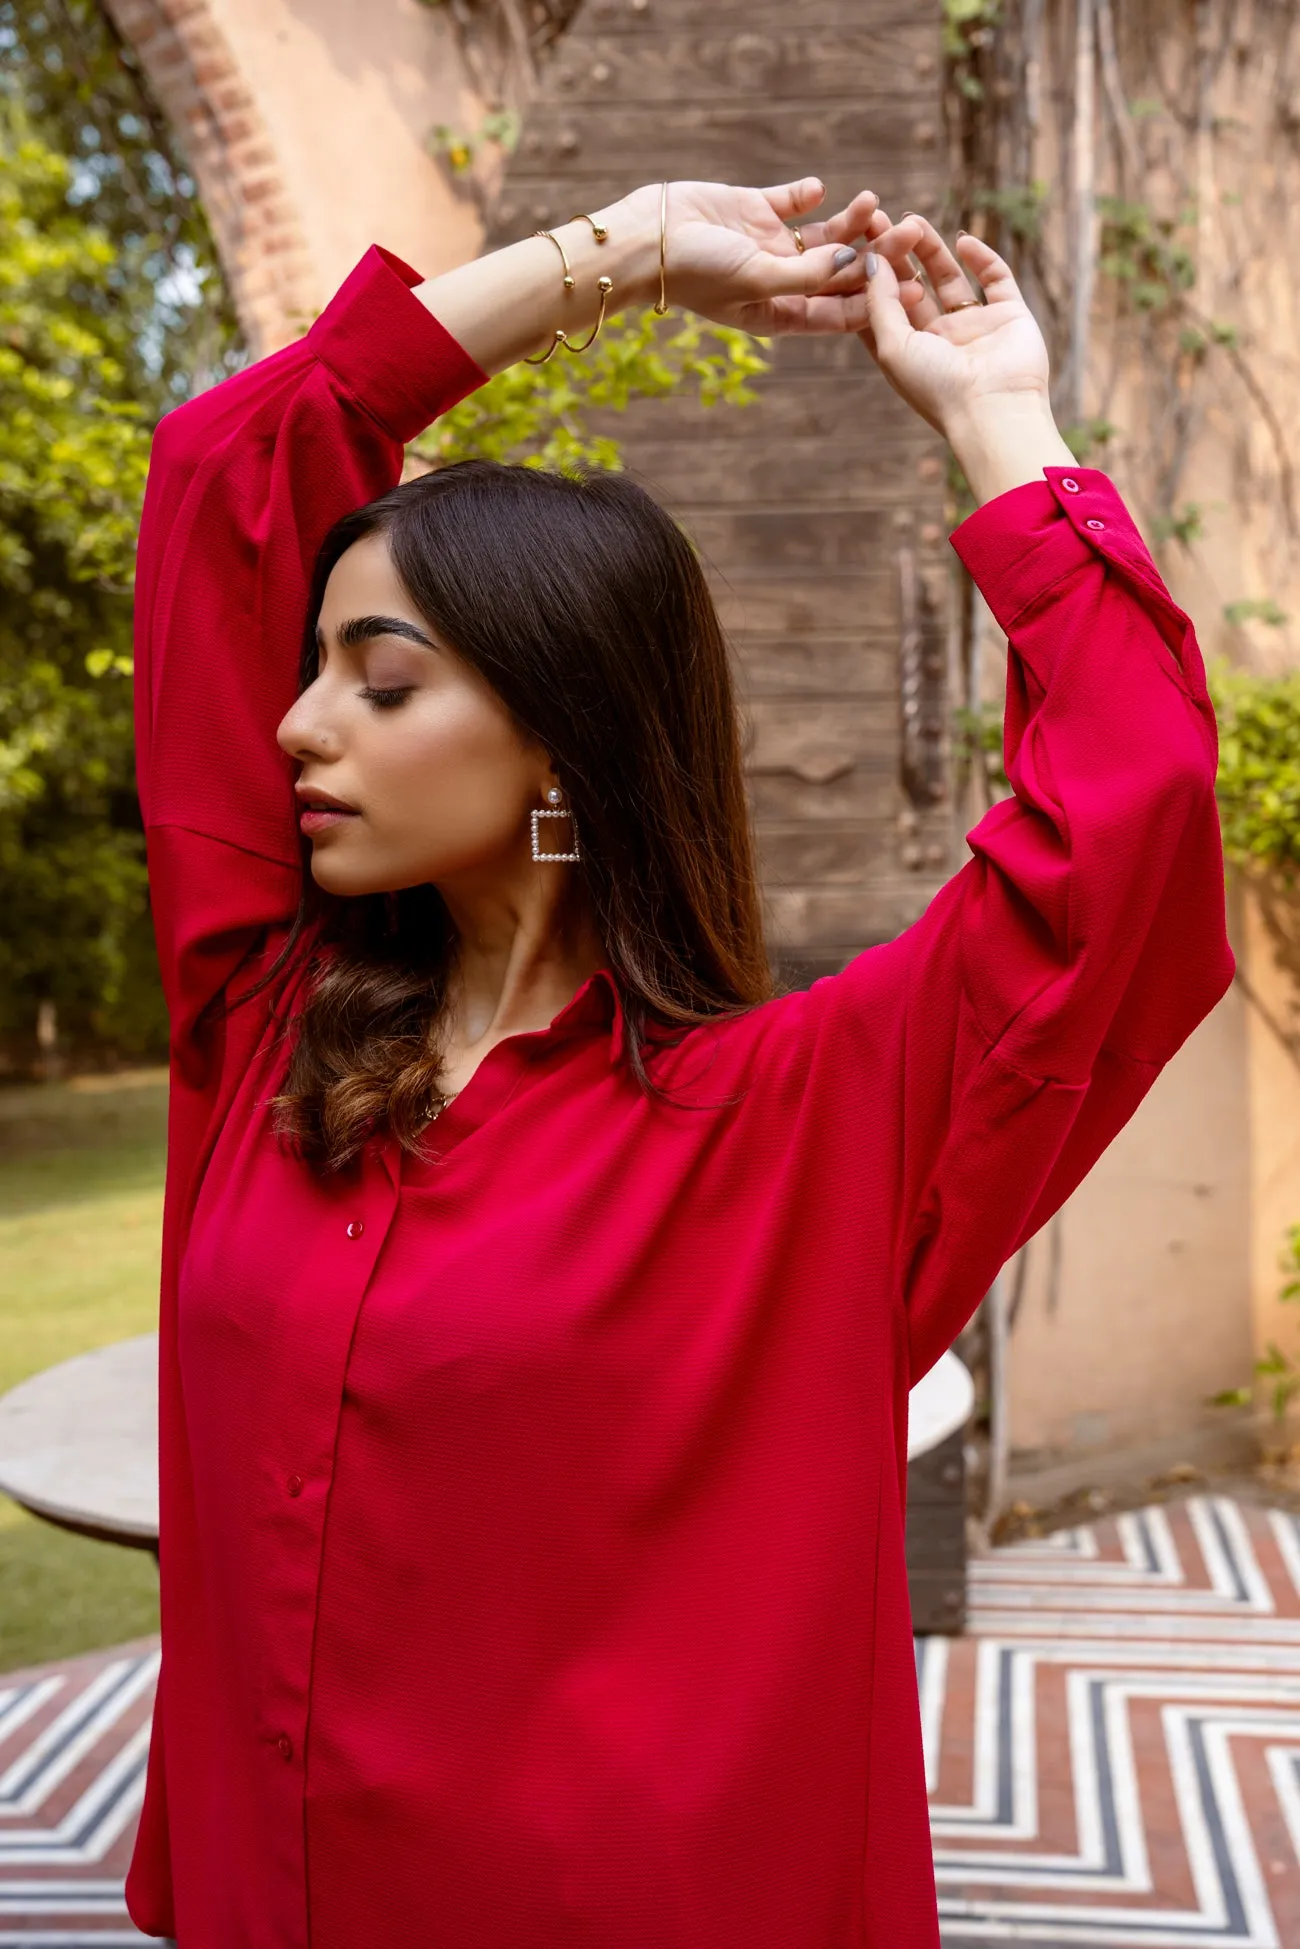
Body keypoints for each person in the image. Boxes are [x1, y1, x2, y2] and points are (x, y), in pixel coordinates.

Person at [124, 175, 1232, 1949]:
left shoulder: (801, 1126)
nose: (295, 724)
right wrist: (623, 251)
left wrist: (997, 415)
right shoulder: (263, 1040)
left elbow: (1138, 814)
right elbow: (229, 472)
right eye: (314, 669)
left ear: (563, 739)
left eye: (380, 682)